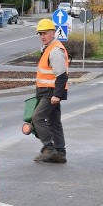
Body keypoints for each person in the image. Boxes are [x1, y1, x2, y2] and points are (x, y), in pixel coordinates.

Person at [32, 18, 69, 163]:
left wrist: (57, 95)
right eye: (40, 33)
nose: (42, 36)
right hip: (47, 92)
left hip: (51, 93)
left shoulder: (55, 50)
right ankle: (60, 153)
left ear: (53, 33)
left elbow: (61, 75)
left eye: (45, 33)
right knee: (54, 123)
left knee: (37, 118)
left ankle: (50, 148)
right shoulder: (48, 48)